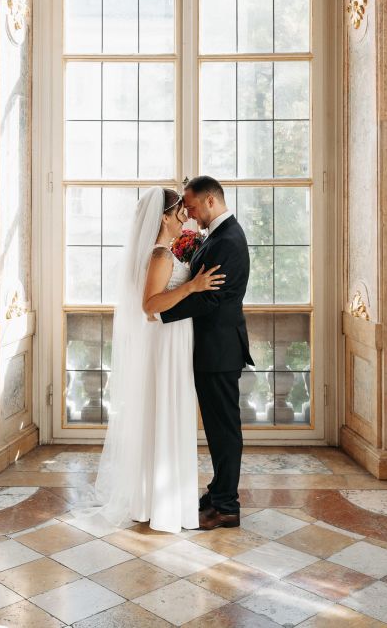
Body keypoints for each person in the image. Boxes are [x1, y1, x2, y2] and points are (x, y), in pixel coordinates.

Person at [93, 186, 224, 533]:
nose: (185, 216)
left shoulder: (165, 252)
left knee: (166, 412)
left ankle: (156, 501)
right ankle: (162, 506)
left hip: (172, 339)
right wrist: (191, 287)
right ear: (164, 217)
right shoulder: (161, 255)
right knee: (166, 410)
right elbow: (150, 305)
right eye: (180, 211)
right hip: (165, 341)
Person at [160, 175, 254, 530]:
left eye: (194, 206)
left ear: (211, 201)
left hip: (220, 350)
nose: (190, 214)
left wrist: (161, 312)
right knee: (216, 429)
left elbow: (212, 297)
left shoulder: (228, 239)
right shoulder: (217, 235)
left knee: (224, 431)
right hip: (211, 348)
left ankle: (227, 505)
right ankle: (217, 493)